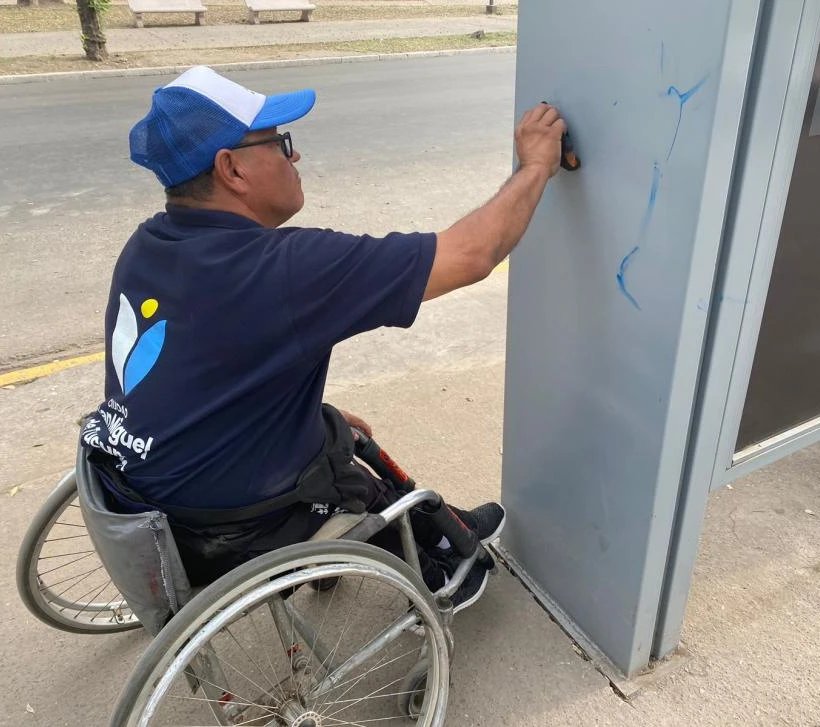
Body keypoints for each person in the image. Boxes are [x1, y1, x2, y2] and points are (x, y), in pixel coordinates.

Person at [81, 66, 567, 612]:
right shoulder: (287, 267)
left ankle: (436, 523)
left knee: (332, 428)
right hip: (228, 530)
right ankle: (441, 566)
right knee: (345, 471)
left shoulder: (148, 244)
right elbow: (470, 255)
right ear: (232, 168)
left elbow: (199, 367)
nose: (296, 158)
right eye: (281, 144)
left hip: (140, 495)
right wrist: (536, 166)